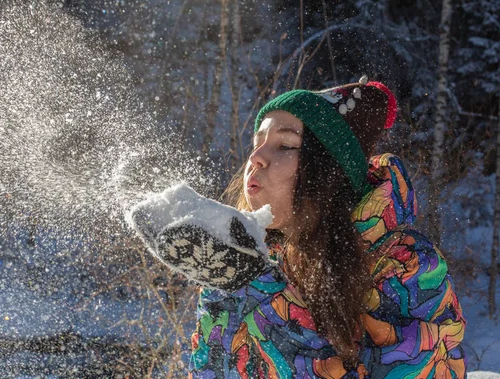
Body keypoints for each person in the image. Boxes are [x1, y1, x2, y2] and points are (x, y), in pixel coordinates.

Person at [129, 77, 466, 378]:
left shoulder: (406, 266)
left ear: (329, 173)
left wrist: (253, 287)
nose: (256, 158)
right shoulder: (257, 256)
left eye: (285, 145)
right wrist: (225, 291)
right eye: (257, 143)